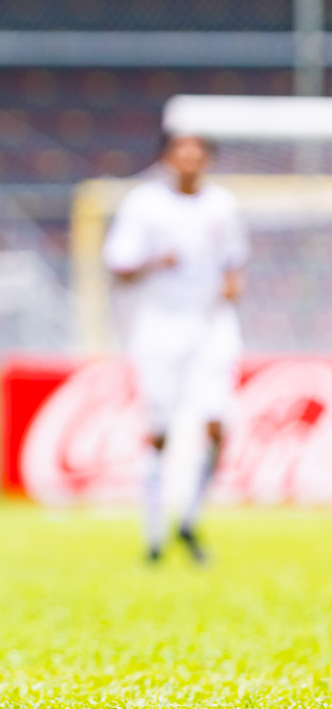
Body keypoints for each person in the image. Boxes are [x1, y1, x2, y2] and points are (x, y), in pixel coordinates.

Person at [103, 132, 247, 564]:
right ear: (167, 158)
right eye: (180, 152)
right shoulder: (143, 205)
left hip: (210, 325)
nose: (188, 160)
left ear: (206, 160)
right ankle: (153, 538)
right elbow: (119, 268)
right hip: (160, 327)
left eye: (196, 153)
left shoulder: (223, 205)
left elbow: (233, 263)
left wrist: (229, 288)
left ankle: (188, 520)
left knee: (218, 424)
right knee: (160, 431)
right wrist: (155, 261)